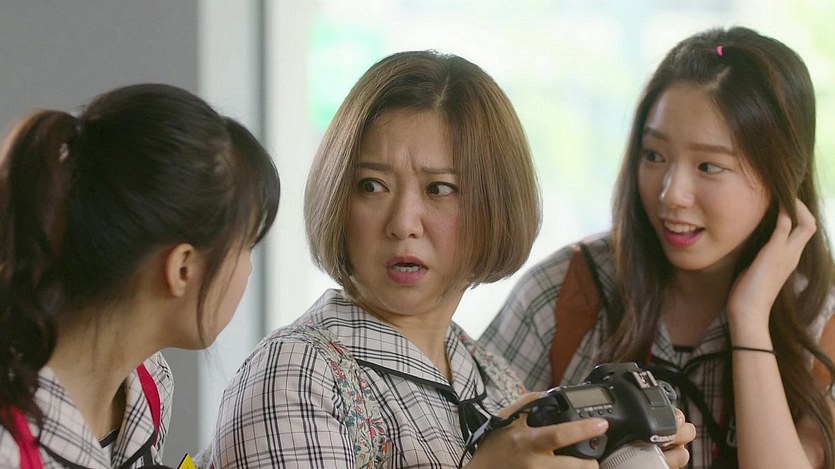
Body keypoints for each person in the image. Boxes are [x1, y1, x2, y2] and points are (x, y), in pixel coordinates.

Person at [205, 50, 693, 469]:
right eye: (371, 186)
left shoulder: (494, 379)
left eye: (440, 189)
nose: (403, 223)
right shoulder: (297, 373)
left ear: (494, 208)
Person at [481, 26, 835, 469]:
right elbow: (471, 449)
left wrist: (749, 318)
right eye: (654, 155)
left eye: (709, 166)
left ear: (782, 174)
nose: (672, 193)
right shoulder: (566, 290)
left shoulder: (822, 324)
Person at [0, 83, 281, 467]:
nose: (248, 268)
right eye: (247, 246)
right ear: (182, 268)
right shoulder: (9, 446)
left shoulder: (150, 384)